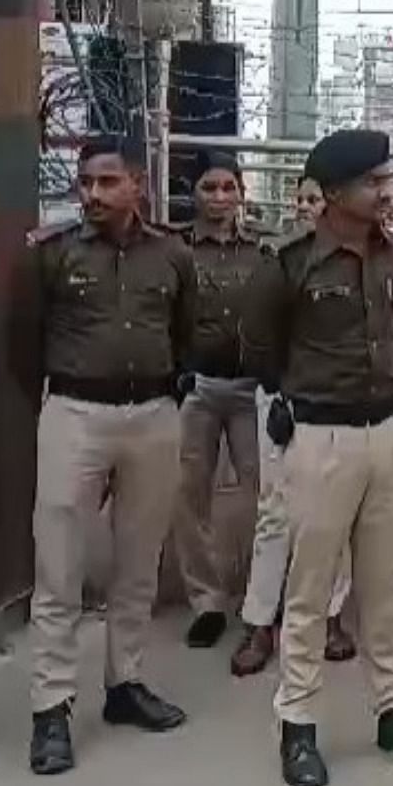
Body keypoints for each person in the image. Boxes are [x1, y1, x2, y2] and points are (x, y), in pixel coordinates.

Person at [243, 128, 393, 786]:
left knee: (387, 584)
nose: (388, 191)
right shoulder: (290, 261)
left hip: (388, 430)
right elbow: (261, 345)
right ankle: (298, 724)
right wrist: (303, 397)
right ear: (331, 195)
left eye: (387, 179)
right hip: (319, 437)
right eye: (374, 182)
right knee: (311, 590)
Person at [24, 138, 197, 775]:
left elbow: (186, 332)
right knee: (60, 563)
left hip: (152, 415)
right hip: (74, 412)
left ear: (137, 187)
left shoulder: (173, 254)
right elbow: (25, 340)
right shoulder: (54, 254)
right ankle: (51, 708)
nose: (92, 195)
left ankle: (125, 685)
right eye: (86, 183)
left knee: (138, 560)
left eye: (107, 182)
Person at [232, 176, 355, 677]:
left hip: (339, 403)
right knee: (275, 513)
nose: (306, 207)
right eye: (301, 198)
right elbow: (255, 332)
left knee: (337, 515)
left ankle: (330, 617)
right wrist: (278, 385)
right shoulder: (278, 259)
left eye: (316, 198)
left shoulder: (357, 257)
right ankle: (260, 622)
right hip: (285, 399)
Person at [171, 152, 270, 651]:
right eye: (209, 188)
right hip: (198, 387)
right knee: (190, 495)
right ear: (195, 193)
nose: (219, 197)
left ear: (241, 193)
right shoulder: (176, 249)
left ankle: (259, 598)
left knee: (266, 494)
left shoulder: (262, 251)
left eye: (228, 187)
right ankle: (207, 602)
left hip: (253, 388)